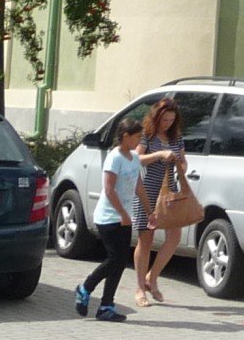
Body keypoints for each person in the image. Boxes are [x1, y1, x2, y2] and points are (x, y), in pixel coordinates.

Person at [76, 117, 143, 322]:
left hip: (124, 218)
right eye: (137, 136)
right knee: (115, 258)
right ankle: (85, 288)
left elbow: (139, 186)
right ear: (125, 136)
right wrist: (122, 213)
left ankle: (106, 306)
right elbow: (109, 189)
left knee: (120, 261)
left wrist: (150, 211)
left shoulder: (134, 157)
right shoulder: (115, 157)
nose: (139, 140)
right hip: (108, 217)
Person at [135, 97, 188, 308]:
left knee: (174, 236)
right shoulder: (146, 135)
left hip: (169, 191)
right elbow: (136, 158)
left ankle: (152, 278)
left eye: (171, 120)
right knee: (145, 238)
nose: (167, 123)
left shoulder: (176, 137)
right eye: (164, 119)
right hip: (147, 190)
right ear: (156, 116)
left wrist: (181, 165)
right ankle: (140, 288)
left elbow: (182, 159)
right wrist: (159, 154)